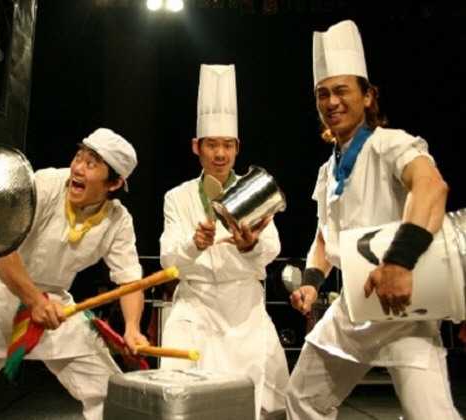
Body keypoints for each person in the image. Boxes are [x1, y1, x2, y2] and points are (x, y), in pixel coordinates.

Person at [286, 20, 462, 420]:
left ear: (368, 96)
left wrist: (399, 261)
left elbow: (431, 187)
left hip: (404, 306)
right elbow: (324, 238)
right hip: (353, 305)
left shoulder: (390, 143)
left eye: (342, 90)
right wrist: (311, 283)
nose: (332, 101)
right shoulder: (327, 171)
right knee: (302, 398)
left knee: (429, 415)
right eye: (323, 94)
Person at [0, 127, 149, 420]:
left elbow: (130, 279)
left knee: (108, 392)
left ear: (114, 183)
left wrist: (133, 328)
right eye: (79, 157)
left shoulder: (118, 220)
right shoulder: (46, 185)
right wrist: (34, 300)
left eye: (91, 164)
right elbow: (1, 245)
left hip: (55, 304)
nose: (78, 168)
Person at [159, 64, 289, 420]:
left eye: (227, 145)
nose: (220, 153)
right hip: (195, 309)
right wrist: (194, 244)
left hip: (245, 311)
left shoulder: (253, 190)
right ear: (196, 147)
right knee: (181, 398)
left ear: (237, 148)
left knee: (263, 402)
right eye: (212, 144)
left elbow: (272, 248)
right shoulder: (178, 197)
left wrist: (249, 247)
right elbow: (167, 258)